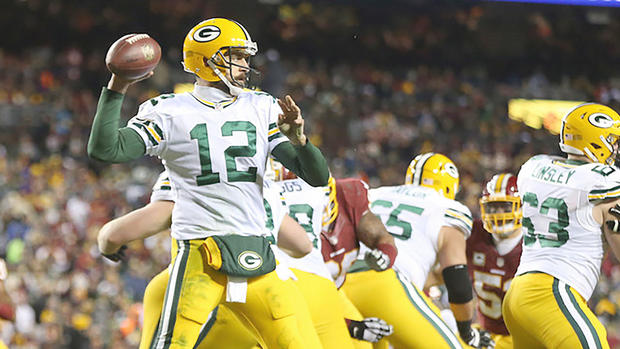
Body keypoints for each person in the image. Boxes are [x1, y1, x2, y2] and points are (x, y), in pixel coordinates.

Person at [88, 17, 329, 349]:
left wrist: (300, 140)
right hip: (200, 254)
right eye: (237, 56)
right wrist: (118, 85)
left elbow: (317, 177)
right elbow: (105, 149)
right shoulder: (170, 110)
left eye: (246, 57)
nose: (245, 64)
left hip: (256, 251)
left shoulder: (261, 106)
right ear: (210, 60)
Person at [99, 168, 315, 349]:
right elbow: (302, 245)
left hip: (213, 292)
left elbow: (132, 228)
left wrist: (106, 239)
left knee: (159, 292)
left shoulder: (192, 164)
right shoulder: (260, 176)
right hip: (273, 290)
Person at [344, 153, 493, 349]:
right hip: (386, 284)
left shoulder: (376, 193)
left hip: (342, 282)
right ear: (450, 186)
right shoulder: (447, 207)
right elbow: (456, 278)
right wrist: (467, 331)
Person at [503, 103, 620, 349]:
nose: (616, 147)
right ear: (597, 141)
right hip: (553, 292)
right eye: (612, 140)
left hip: (518, 293)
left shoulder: (534, 167)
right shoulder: (603, 183)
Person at [275, 164, 393, 349]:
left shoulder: (348, 194)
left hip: (329, 293)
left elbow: (380, 236)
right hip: (295, 295)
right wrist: (353, 327)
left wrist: (385, 255)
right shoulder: (285, 235)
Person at [467, 173, 523, 349]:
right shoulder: (473, 234)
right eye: (493, 207)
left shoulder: (536, 244)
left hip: (525, 337)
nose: (499, 214)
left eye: (506, 207)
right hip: (484, 332)